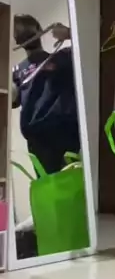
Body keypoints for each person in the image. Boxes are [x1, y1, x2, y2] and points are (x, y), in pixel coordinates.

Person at [12, 15, 80, 174]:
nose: (25, 34)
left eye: (27, 29)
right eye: (19, 32)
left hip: (65, 132)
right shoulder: (18, 71)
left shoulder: (63, 57)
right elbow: (13, 100)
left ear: (40, 30)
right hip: (37, 139)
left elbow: (90, 42)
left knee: (73, 180)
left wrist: (70, 33)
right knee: (49, 185)